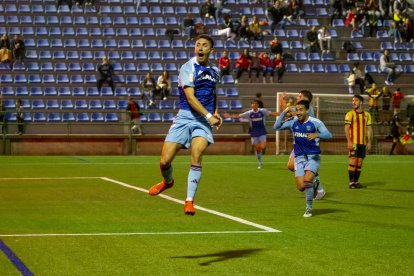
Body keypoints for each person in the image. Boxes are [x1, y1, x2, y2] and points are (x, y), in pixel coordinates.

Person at [148, 35, 222, 216]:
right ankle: (167, 182)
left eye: (204, 45)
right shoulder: (188, 67)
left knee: (196, 154)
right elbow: (190, 97)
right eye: (198, 45)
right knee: (165, 161)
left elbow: (213, 93)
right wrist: (209, 115)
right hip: (185, 117)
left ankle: (189, 201)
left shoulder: (215, 71)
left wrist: (215, 112)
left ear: (211, 50)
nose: (200, 48)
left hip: (203, 122)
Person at [274, 100, 333, 218]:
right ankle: (315, 183)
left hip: (313, 157)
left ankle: (308, 208)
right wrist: (284, 112)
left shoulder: (315, 122)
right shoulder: (293, 122)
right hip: (299, 158)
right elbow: (276, 126)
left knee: (306, 182)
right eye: (297, 110)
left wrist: (317, 134)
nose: (299, 112)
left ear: (307, 111)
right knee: (301, 187)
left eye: (301, 110)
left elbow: (329, 135)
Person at [285, 90, 326, 200]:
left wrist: (288, 110)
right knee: (290, 165)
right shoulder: (301, 107)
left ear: (305, 98)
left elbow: (294, 113)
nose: (297, 97)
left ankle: (315, 186)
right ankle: (314, 183)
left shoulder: (309, 109)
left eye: (299, 96)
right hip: (300, 143)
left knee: (301, 180)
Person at [222, 100, 279, 169]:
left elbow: (272, 113)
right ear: (251, 105)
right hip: (254, 131)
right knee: (257, 148)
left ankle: (260, 155)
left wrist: (282, 114)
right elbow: (239, 116)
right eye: (252, 104)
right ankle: (260, 162)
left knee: (262, 147)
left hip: (262, 130)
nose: (254, 105)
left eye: (255, 104)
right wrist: (230, 116)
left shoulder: (262, 111)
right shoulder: (249, 113)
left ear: (258, 105)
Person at [344, 95, 373, 189]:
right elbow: (346, 128)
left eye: (355, 100)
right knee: (353, 160)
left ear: (361, 102)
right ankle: (351, 183)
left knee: (359, 162)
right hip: (354, 142)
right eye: (352, 100)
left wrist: (369, 142)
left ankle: (356, 182)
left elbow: (369, 129)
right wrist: (349, 141)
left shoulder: (367, 115)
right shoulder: (350, 114)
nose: (353, 102)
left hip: (362, 143)